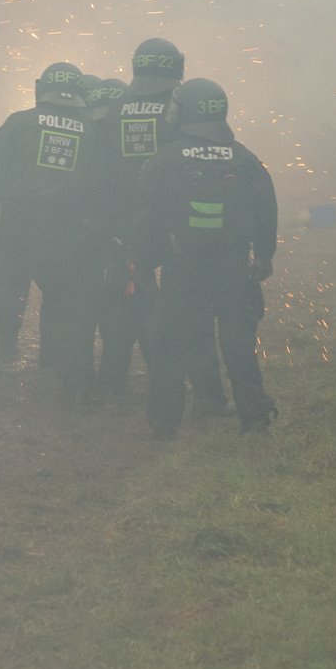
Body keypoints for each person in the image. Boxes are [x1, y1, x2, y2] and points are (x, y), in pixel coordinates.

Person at [135, 77, 279, 438]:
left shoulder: (165, 159)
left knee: (171, 342)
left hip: (183, 268)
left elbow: (146, 216)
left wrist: (143, 263)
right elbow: (267, 211)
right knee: (237, 342)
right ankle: (255, 417)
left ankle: (164, 424)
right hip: (233, 266)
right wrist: (263, 258)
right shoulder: (245, 158)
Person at [104, 39, 229, 414]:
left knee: (123, 304)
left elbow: (100, 171)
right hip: (180, 225)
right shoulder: (184, 106)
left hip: (126, 225)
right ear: (177, 67)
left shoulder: (115, 109)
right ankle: (205, 394)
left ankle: (110, 384)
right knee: (190, 311)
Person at [0, 61, 106, 404]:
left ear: (40, 88)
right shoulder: (91, 131)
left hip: (13, 233)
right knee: (73, 310)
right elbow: (98, 189)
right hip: (67, 237)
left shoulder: (19, 122)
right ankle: (77, 391)